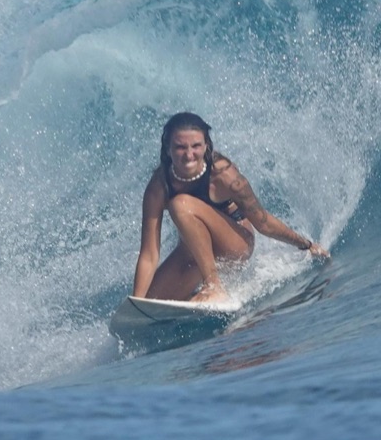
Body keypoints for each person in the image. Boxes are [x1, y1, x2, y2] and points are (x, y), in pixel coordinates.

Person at [132, 112, 329, 303]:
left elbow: (263, 222)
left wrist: (307, 245)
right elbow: (149, 253)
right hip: (194, 251)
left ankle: (213, 287)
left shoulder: (224, 175)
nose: (189, 154)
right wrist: (137, 303)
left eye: (196, 146)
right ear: (168, 149)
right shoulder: (159, 185)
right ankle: (200, 287)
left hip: (235, 244)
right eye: (180, 147)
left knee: (180, 204)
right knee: (154, 301)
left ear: (206, 146)